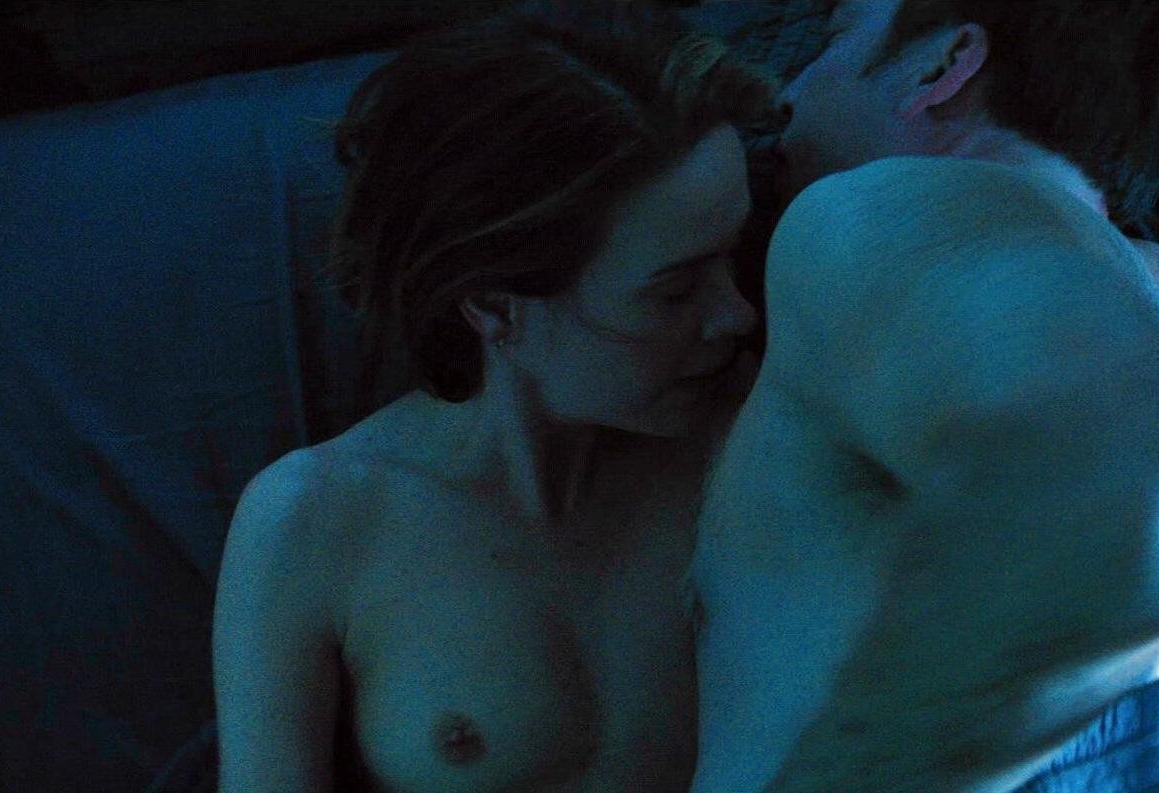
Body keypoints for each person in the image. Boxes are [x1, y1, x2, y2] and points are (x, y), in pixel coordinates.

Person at [688, 1, 1159, 790]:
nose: (790, 94)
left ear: (940, 67)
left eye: (834, 42)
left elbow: (1138, 501)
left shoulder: (874, 218)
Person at [211, 2, 772, 790]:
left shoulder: (754, 455)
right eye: (674, 291)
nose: (736, 314)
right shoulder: (315, 525)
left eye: (732, 255)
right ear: (495, 306)